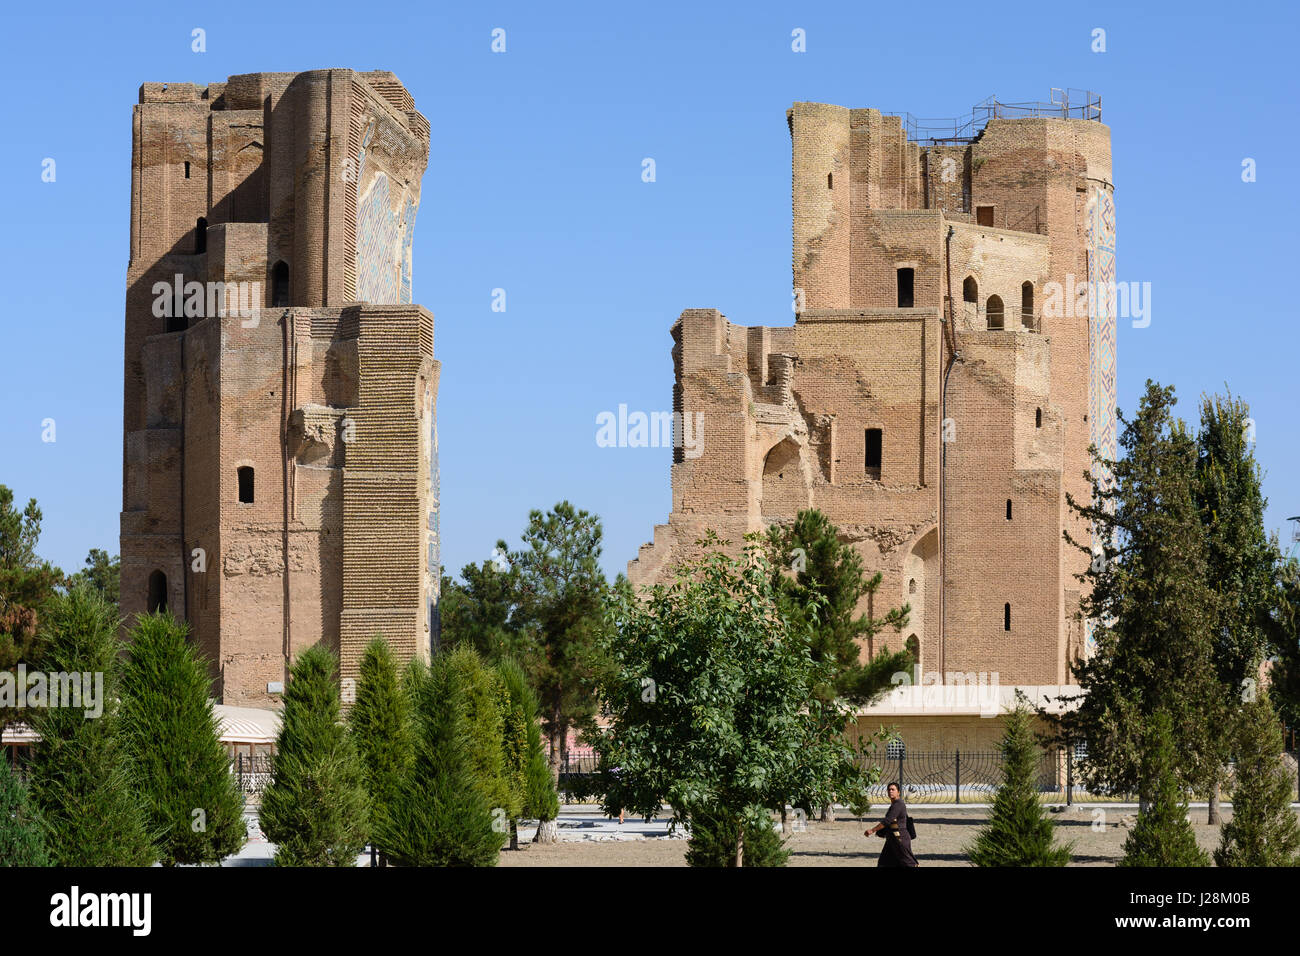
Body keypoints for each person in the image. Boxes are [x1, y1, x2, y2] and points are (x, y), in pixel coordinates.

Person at [864, 781, 917, 867]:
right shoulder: (895, 804)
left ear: (898, 792)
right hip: (891, 840)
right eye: (889, 790)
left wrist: (872, 830)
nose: (890, 791)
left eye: (893, 789)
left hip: (900, 838)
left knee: (909, 863)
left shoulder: (898, 804)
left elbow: (887, 821)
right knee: (884, 863)